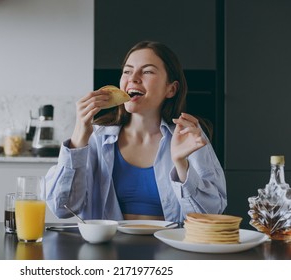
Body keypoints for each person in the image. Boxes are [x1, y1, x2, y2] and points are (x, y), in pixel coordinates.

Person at [45, 41, 226, 223]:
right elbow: (62, 209)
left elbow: (212, 215)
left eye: (147, 71)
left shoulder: (190, 136)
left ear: (171, 89)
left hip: (171, 248)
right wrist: (78, 136)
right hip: (107, 249)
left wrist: (181, 164)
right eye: (127, 71)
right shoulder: (96, 138)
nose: (133, 78)